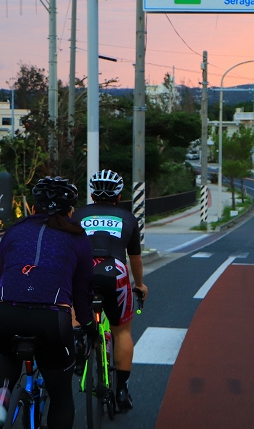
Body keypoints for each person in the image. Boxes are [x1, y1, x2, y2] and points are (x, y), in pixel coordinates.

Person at [0, 176, 93, 429]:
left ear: (33, 208)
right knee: (61, 396)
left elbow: (1, 272)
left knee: (8, 353)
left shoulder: (14, 230)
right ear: (70, 211)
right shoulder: (78, 238)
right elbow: (82, 290)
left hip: (2, 313)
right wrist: (88, 325)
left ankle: (1, 401)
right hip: (50, 318)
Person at [72, 169, 148, 412]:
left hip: (82, 271)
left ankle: (77, 342)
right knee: (121, 332)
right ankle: (122, 391)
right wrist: (139, 285)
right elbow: (135, 258)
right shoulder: (128, 218)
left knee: (75, 313)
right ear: (118, 196)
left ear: (92, 194)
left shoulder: (77, 215)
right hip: (115, 271)